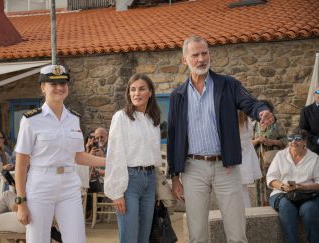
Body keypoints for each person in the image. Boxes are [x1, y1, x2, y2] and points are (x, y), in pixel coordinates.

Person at [167, 35, 275, 243]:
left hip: (226, 168)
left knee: (236, 233)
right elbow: (173, 137)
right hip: (192, 169)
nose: (201, 59)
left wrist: (263, 111)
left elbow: (251, 103)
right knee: (197, 235)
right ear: (184, 60)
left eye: (205, 53)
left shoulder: (228, 84)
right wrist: (174, 176)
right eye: (195, 55)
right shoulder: (177, 95)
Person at [15, 64, 105, 243]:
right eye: (53, 84)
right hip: (41, 184)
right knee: (38, 239)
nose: (59, 88)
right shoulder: (31, 120)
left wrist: (109, 161)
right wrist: (21, 201)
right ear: (43, 88)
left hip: (69, 184)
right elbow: (21, 163)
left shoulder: (73, 118)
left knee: (77, 238)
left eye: (63, 83)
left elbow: (78, 156)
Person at [104, 73, 162, 243]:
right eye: (133, 89)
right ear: (128, 93)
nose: (137, 93)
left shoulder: (153, 119)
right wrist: (116, 193)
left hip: (150, 180)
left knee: (144, 237)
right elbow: (114, 154)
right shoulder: (121, 117)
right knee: (129, 237)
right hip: (129, 181)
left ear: (150, 92)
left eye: (142, 89)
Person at [266, 127, 319, 243]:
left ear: (304, 141)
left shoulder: (314, 158)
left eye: (298, 139)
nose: (294, 142)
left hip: (307, 194)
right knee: (286, 207)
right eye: (291, 139)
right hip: (282, 193)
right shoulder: (280, 156)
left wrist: (305, 187)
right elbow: (270, 178)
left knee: (309, 209)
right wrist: (283, 186)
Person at [251, 100, 286, 205]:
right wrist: (257, 140)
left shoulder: (276, 123)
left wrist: (272, 142)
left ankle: (274, 204)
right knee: (259, 182)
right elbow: (247, 143)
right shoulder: (254, 124)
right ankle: (261, 207)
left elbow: (285, 141)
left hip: (273, 159)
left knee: (272, 180)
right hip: (258, 158)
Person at [238, 111, 262, 207]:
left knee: (239, 189)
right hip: (246, 156)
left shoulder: (233, 121)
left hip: (239, 156)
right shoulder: (247, 121)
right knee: (242, 188)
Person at [300, 87, 319, 155]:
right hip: (314, 148)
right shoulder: (306, 110)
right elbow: (303, 130)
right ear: (314, 94)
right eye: (318, 92)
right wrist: (317, 140)